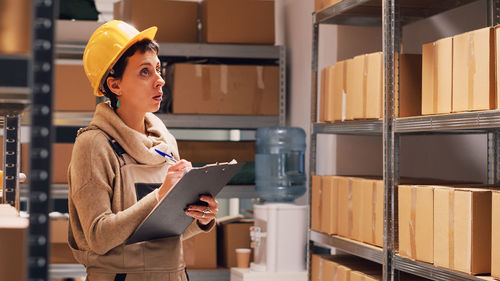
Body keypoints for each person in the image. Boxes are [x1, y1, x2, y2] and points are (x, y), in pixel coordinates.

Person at [67, 20, 218, 281]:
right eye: (145, 72)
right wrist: (160, 195)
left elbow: (164, 232)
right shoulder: (94, 144)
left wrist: (201, 217)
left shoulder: (165, 142)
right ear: (115, 86)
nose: (159, 80)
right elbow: (99, 237)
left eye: (158, 69)